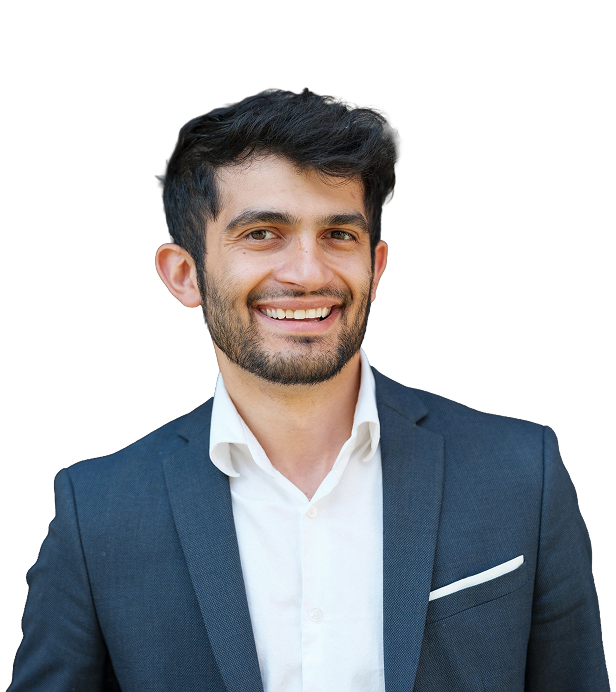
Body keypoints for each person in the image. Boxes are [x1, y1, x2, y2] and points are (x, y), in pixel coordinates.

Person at [9, 87, 609, 692]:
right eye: (262, 233)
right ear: (185, 275)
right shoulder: (98, 514)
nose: (307, 272)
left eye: (338, 234)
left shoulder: (522, 474)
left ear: (375, 268)